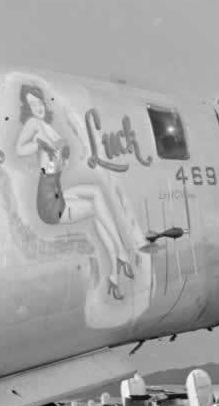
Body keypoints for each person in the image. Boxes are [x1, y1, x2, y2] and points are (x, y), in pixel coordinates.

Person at [16, 84, 134, 300]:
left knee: (97, 194)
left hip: (55, 189)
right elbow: (20, 148)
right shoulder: (34, 125)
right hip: (50, 203)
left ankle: (117, 268)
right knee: (97, 203)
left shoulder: (46, 126)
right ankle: (120, 256)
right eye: (32, 104)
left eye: (39, 102)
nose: (38, 107)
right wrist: (37, 144)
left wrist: (59, 156)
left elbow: (60, 158)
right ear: (28, 108)